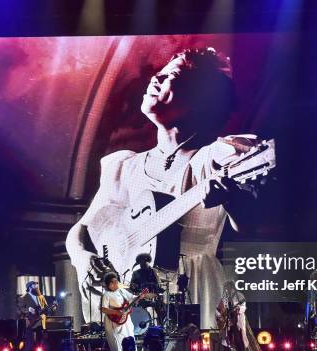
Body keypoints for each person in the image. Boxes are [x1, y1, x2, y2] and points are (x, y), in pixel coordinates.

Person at [65, 47, 269, 328]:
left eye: (171, 75)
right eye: (158, 73)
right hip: (130, 293)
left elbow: (248, 224)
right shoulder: (124, 166)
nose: (155, 80)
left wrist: (231, 199)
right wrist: (82, 257)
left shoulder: (216, 155)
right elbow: (84, 228)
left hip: (194, 286)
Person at [215, 281, 256, 351]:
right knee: (226, 341)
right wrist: (221, 317)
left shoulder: (239, 295)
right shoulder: (224, 297)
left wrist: (238, 308)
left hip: (237, 322)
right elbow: (219, 309)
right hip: (228, 322)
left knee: (239, 341)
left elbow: (243, 306)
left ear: (232, 287)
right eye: (226, 287)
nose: (227, 289)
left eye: (228, 287)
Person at [101, 273, 141, 351]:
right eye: (115, 282)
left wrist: (140, 297)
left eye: (117, 281)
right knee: (118, 341)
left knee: (129, 336)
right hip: (114, 321)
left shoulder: (121, 291)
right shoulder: (107, 294)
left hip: (126, 319)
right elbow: (104, 309)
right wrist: (116, 312)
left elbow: (132, 297)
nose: (117, 283)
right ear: (110, 284)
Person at [17, 281, 55, 351]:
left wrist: (52, 307)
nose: (36, 286)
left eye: (37, 284)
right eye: (34, 284)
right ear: (30, 287)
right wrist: (28, 310)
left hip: (40, 322)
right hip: (30, 322)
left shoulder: (41, 297)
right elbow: (20, 309)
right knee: (29, 343)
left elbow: (46, 309)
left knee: (43, 342)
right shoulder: (23, 297)